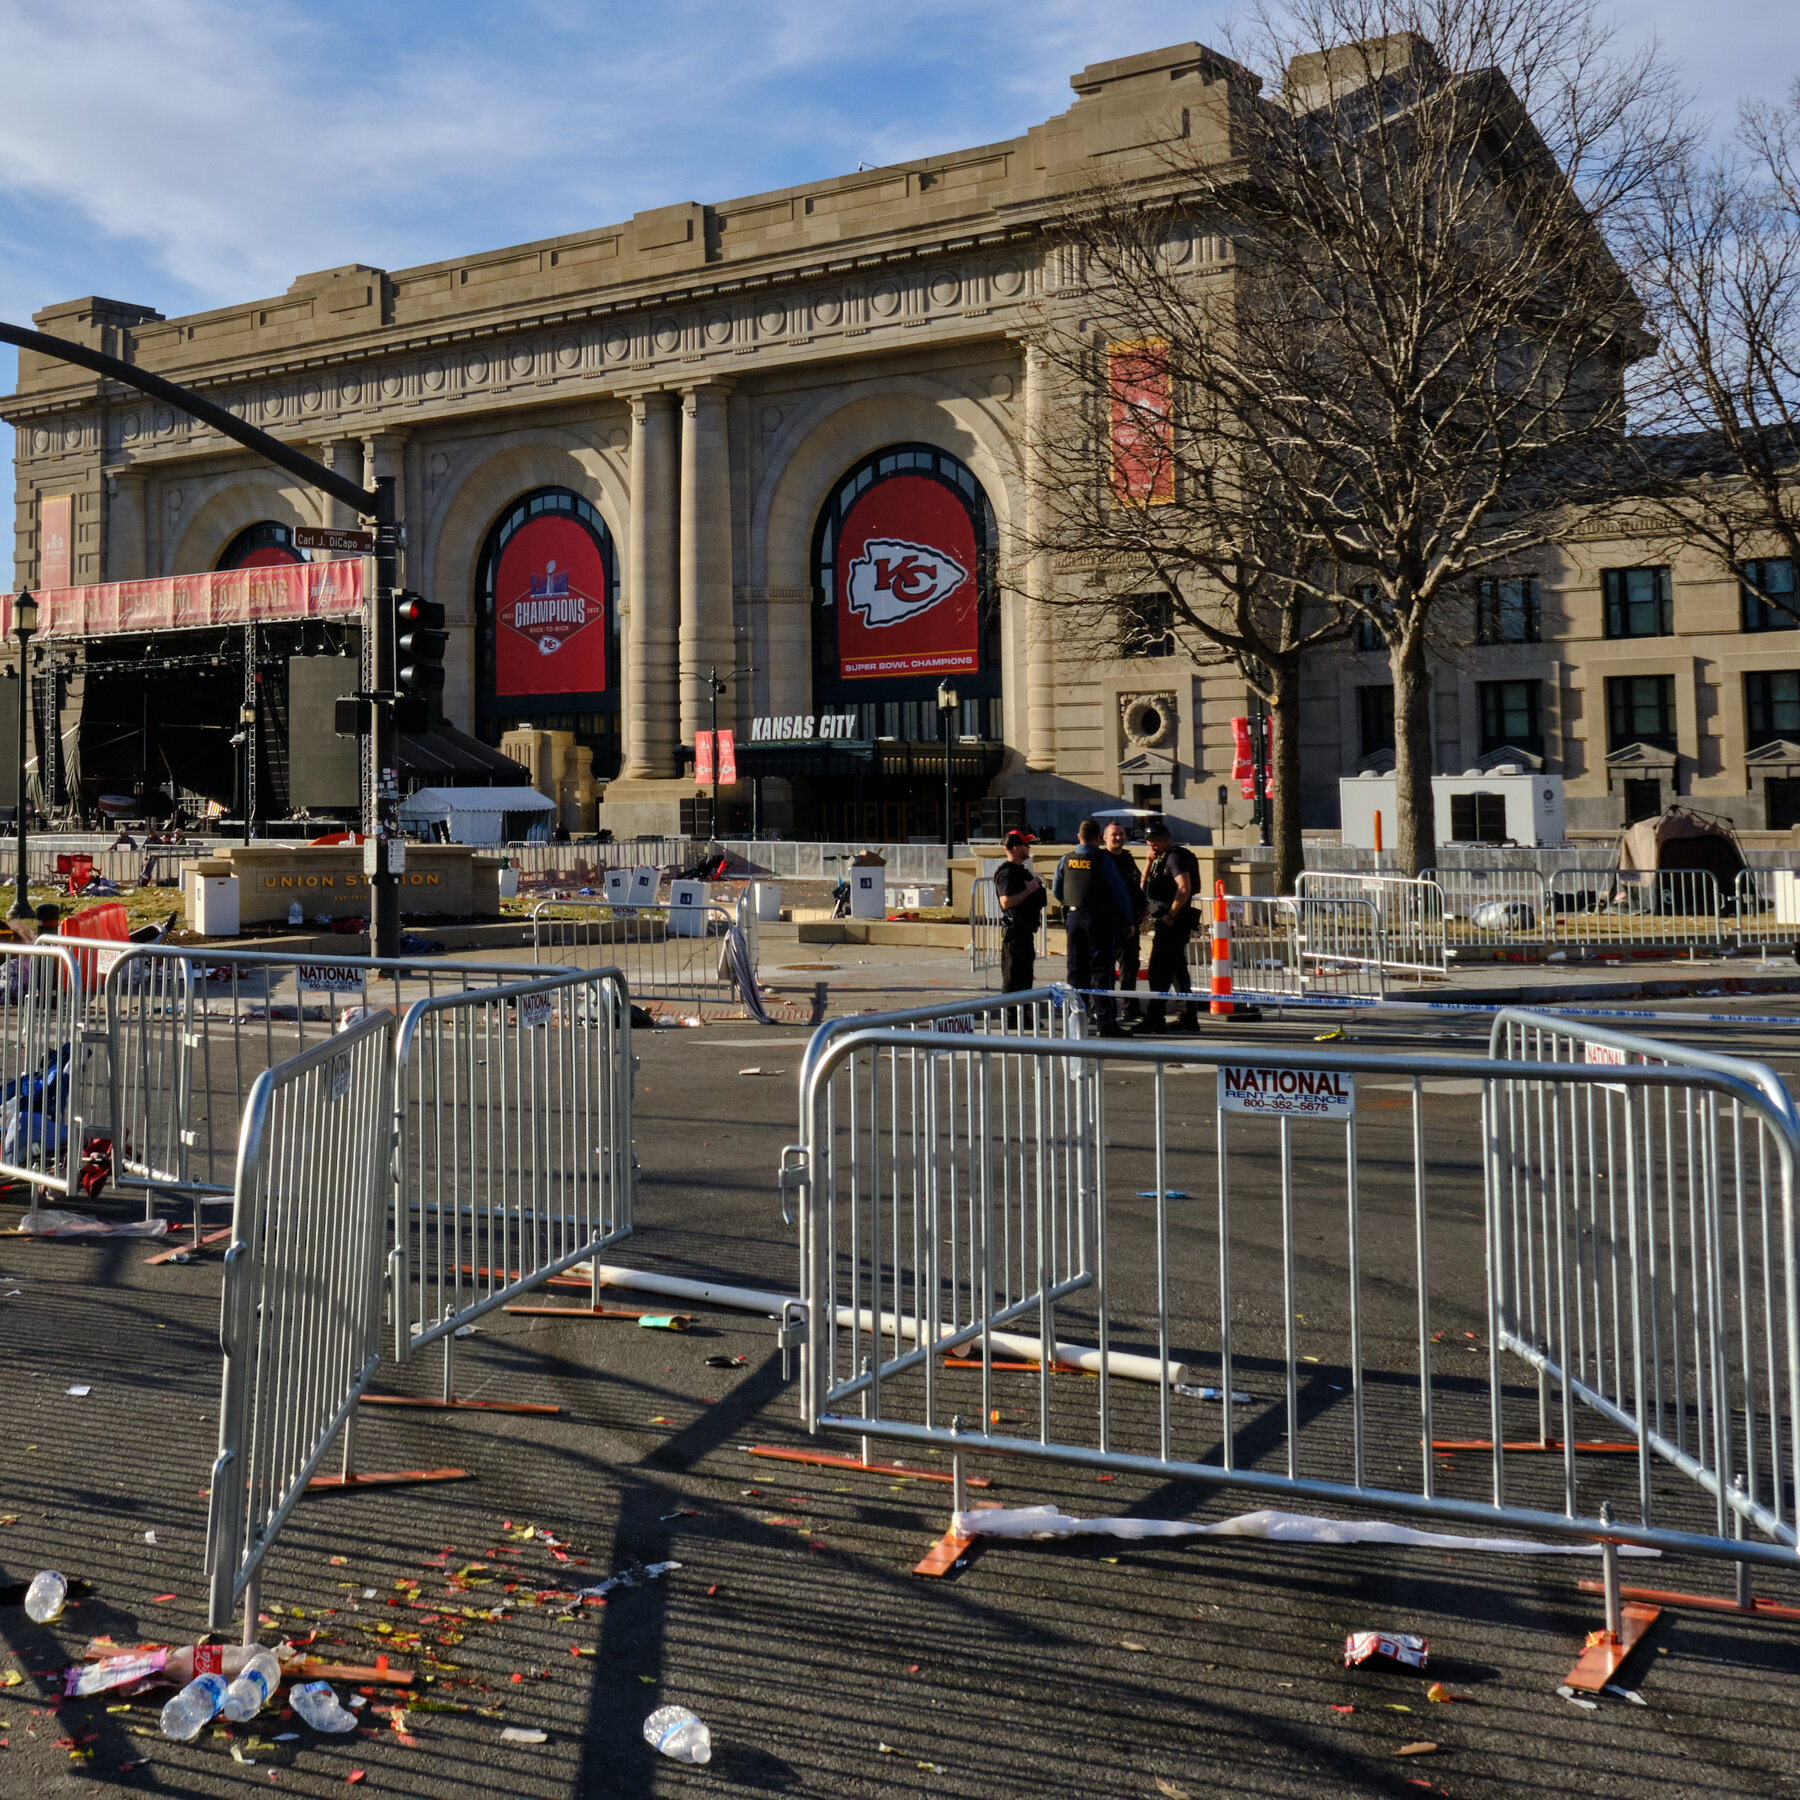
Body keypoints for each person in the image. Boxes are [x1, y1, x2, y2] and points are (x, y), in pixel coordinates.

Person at [1053, 818, 1136, 1036]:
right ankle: (1105, 1021)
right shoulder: (1102, 860)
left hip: (1074, 919)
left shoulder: (1067, 859)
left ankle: (1075, 1021)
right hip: (1098, 920)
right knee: (1102, 971)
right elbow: (1120, 893)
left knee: (1076, 971)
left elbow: (1056, 890)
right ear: (1099, 838)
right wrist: (1128, 920)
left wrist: (1072, 903)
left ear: (1078, 836)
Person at [1140, 816, 1201, 1032]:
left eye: (1156, 842)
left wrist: (1171, 914)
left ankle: (1155, 1018)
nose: (1152, 845)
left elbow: (1184, 887)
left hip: (1173, 923)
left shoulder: (1175, 858)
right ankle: (1188, 1017)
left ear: (1166, 839)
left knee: (1159, 971)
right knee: (1177, 971)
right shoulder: (1161, 857)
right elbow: (1144, 885)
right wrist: (1148, 862)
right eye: (1149, 842)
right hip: (1168, 921)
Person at [1101, 819, 1147, 1022]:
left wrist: (1143, 907)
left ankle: (1130, 1009)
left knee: (1130, 967)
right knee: (1107, 969)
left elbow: (1136, 885)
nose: (1119, 837)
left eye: (1121, 834)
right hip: (1110, 923)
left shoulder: (1127, 859)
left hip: (1131, 923)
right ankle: (1107, 1010)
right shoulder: (1102, 860)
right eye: (1114, 834)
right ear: (1105, 838)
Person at [990, 830, 1046, 996]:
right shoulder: (1007, 873)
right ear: (1015, 848)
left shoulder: (1020, 871)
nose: (1029, 847)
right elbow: (1006, 902)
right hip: (1015, 933)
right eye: (1025, 844)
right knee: (1013, 977)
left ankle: (1025, 1015)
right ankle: (1011, 1017)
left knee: (1025, 977)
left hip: (1025, 931)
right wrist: (1029, 890)